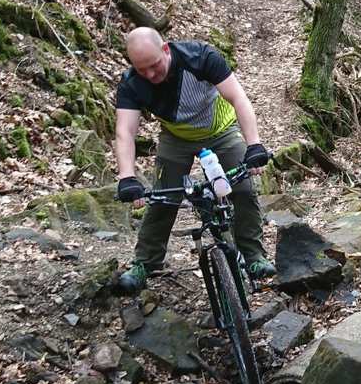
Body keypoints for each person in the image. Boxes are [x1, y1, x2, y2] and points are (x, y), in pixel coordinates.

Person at [115, 27, 276, 293]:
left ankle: (254, 256)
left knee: (243, 188)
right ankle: (145, 263)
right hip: (176, 138)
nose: (151, 75)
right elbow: (125, 131)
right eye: (142, 70)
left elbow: (238, 97)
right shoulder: (132, 83)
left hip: (220, 129)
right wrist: (126, 176)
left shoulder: (200, 57)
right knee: (163, 198)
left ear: (165, 49)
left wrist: (254, 144)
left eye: (155, 65)